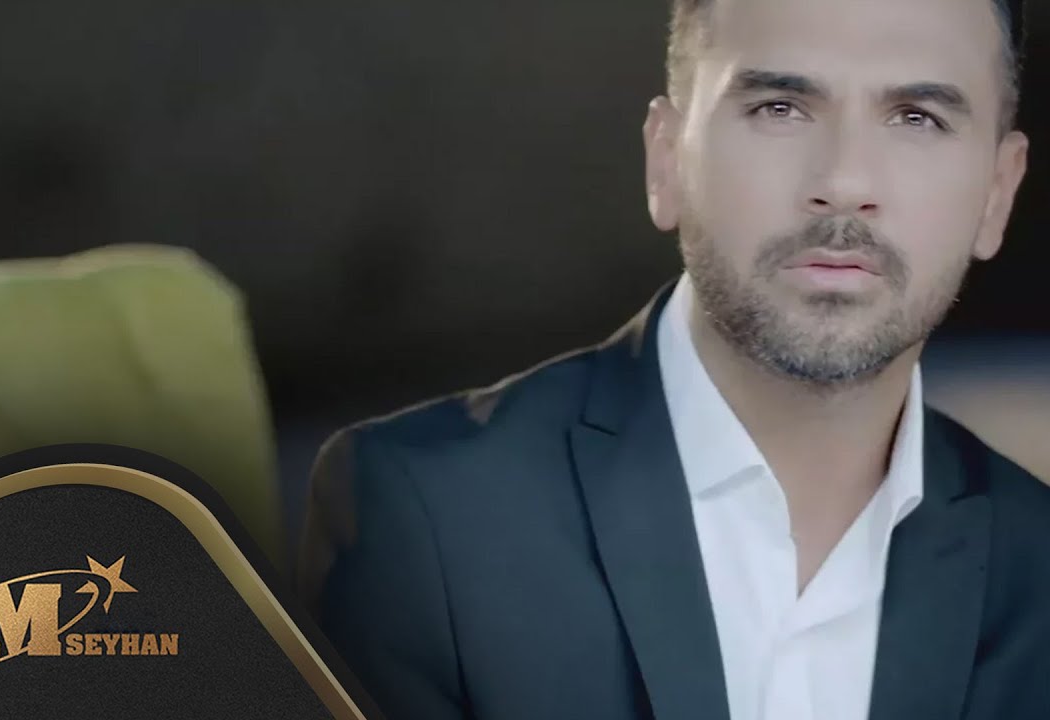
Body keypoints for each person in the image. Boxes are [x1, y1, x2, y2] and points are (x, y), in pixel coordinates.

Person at [296, 0, 1045, 718]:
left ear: (997, 195)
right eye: (779, 108)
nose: (844, 183)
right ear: (666, 161)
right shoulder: (425, 519)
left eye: (918, 118)